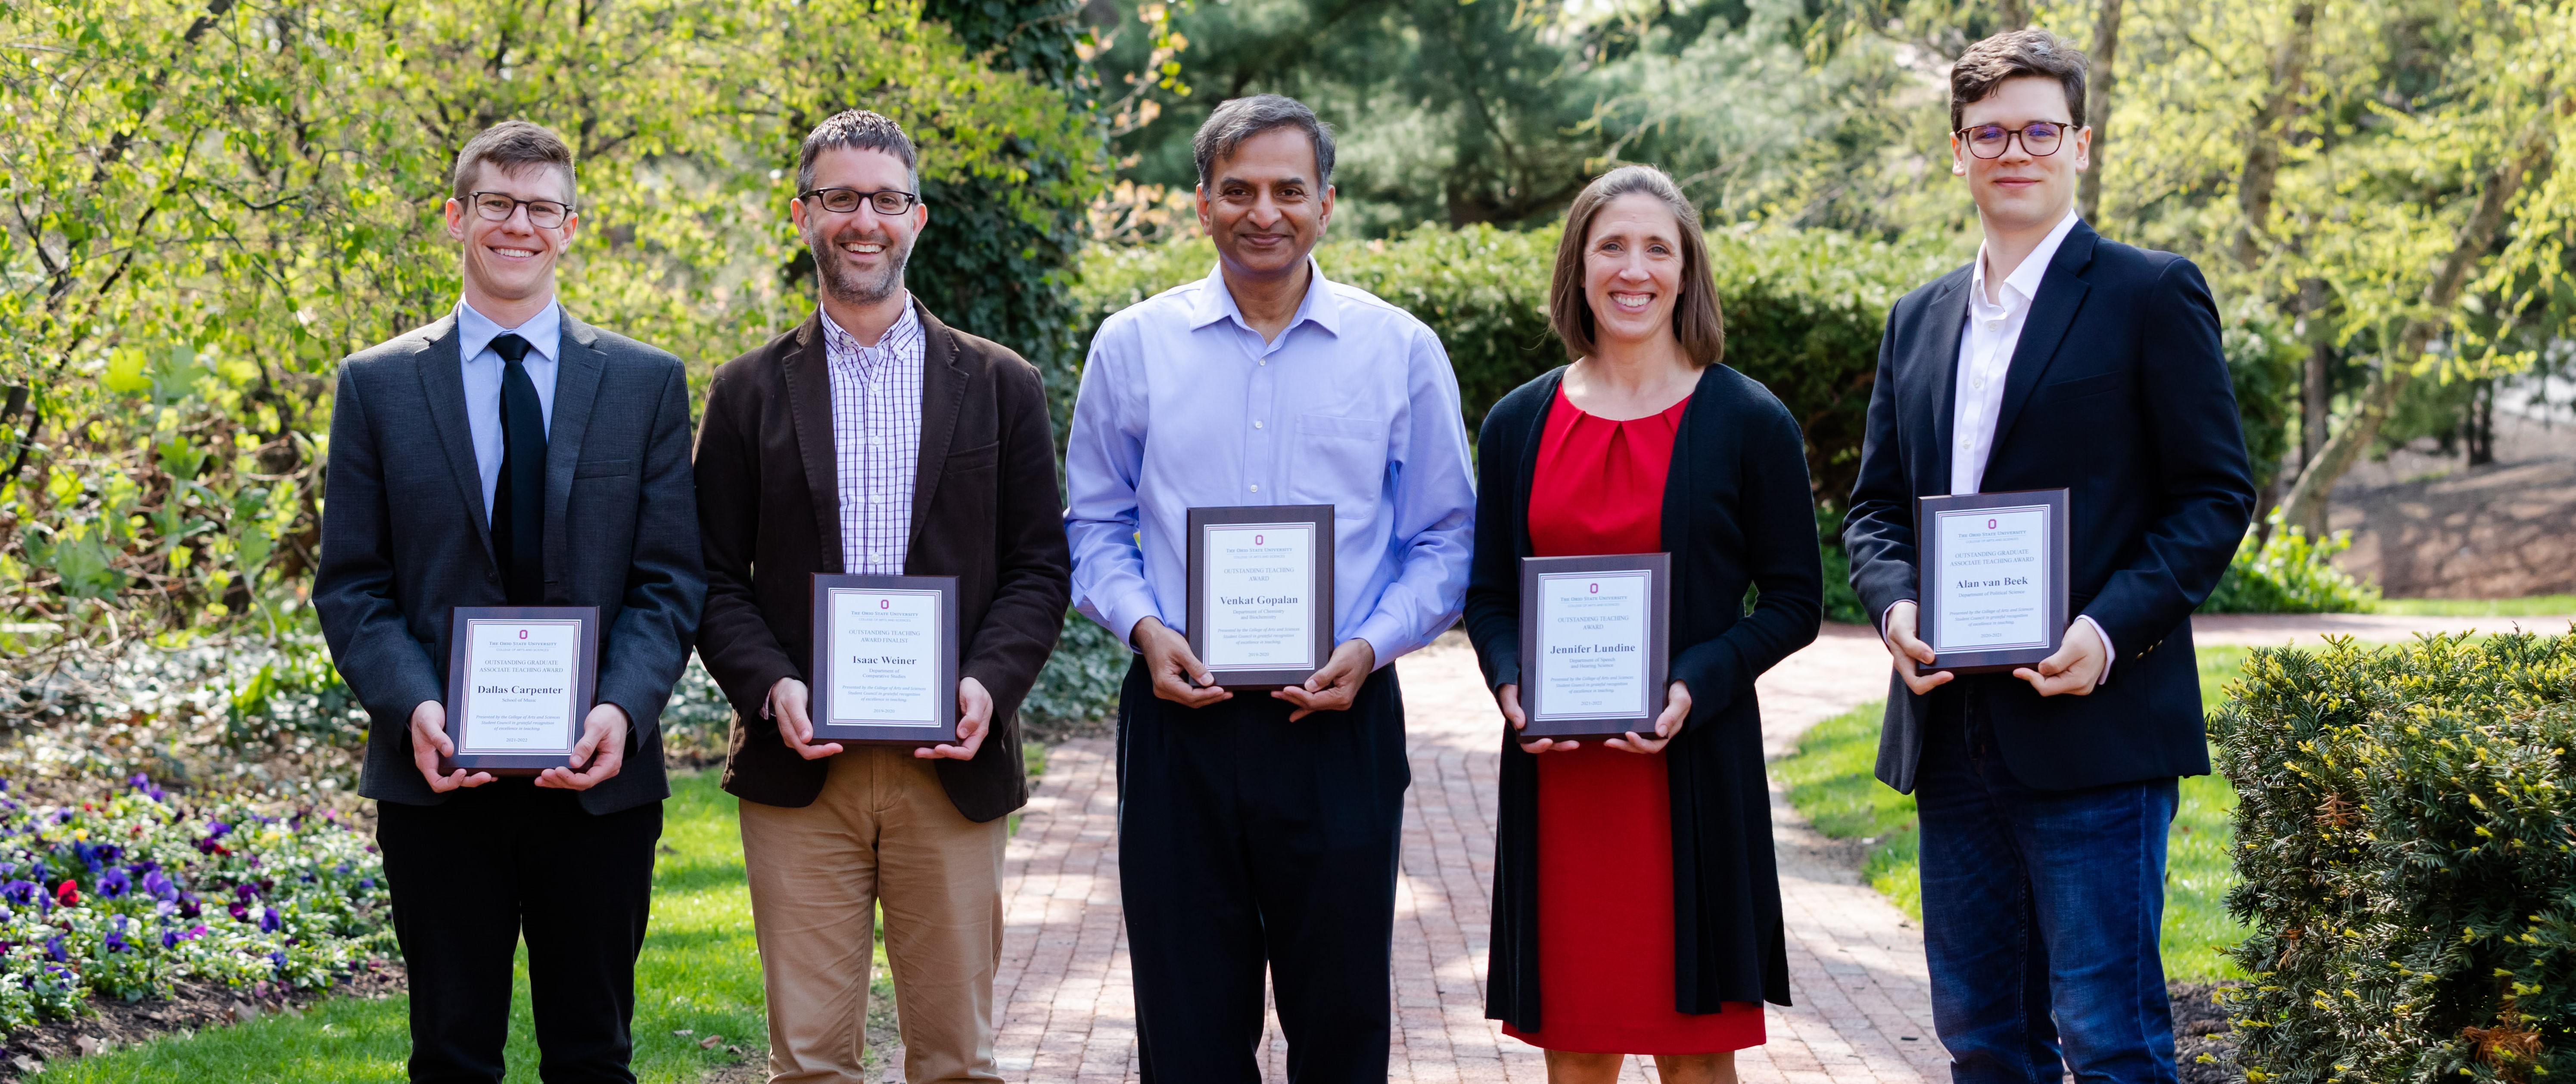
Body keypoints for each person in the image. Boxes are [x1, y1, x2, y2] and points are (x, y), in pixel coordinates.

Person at [1841, 29, 2256, 1084]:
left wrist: (2106, 629)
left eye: (2036, 130)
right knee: (1983, 1042)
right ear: (1956, 151)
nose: (2011, 151)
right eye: (1989, 132)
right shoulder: (1917, 319)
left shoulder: (2148, 294)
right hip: (1949, 730)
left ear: (2079, 141)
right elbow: (1877, 511)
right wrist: (1893, 610)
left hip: (2092, 724)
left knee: (2110, 1039)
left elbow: (2213, 494)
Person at [1061, 93, 1477, 1081]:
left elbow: (1444, 538)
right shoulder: (1133, 345)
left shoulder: (1399, 350)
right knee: (1187, 1029)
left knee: (1339, 1028)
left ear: (1325, 203)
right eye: (1238, 189)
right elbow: (1091, 521)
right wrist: (1142, 624)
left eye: (1289, 189)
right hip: (1176, 721)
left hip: (1337, 720)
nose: (1264, 211)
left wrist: (1369, 644)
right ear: (1199, 202)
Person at [313, 120, 704, 1082]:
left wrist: (621, 706)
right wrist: (416, 707)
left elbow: (669, 579)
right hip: (438, 776)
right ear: (457, 217)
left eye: (539, 208)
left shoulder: (646, 382)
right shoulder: (377, 385)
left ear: (571, 227)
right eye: (496, 203)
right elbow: (353, 582)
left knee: (594, 1053)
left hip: (600, 778)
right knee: (449, 1055)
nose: (517, 225)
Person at [692, 109, 1071, 1084]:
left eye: (886, 199)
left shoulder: (999, 383)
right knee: (810, 1059)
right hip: (798, 762)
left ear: (918, 217)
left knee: (955, 1059)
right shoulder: (744, 392)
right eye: (839, 198)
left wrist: (988, 682)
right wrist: (769, 684)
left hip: (948, 756)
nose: (864, 219)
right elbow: (705, 572)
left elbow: (1038, 566)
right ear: (801, 213)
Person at [1463, 165, 1819, 1082]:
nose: (1634, 269)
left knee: (1694, 1052)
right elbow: (1490, 595)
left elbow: (1792, 602)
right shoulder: (1517, 423)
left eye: (1656, 247)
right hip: (1560, 784)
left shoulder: (1747, 420)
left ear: (1686, 268)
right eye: (1610, 245)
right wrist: (1510, 682)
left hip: (1688, 769)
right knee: (1576, 1046)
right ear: (1577, 268)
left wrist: (1694, 682)